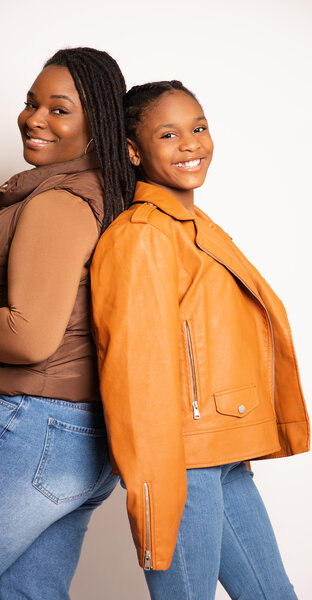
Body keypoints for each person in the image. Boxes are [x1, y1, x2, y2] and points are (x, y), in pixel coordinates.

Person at [0, 47, 134, 600]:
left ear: (98, 121)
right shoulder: (100, 193)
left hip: (30, 426)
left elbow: (31, 336)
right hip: (82, 435)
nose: (34, 119)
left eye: (59, 109)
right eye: (31, 103)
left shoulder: (59, 200)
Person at [90, 80, 310, 599]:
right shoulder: (142, 234)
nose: (191, 143)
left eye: (199, 127)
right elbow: (133, 373)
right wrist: (152, 483)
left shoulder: (194, 225)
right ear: (133, 151)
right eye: (168, 133)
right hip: (181, 460)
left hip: (223, 448)